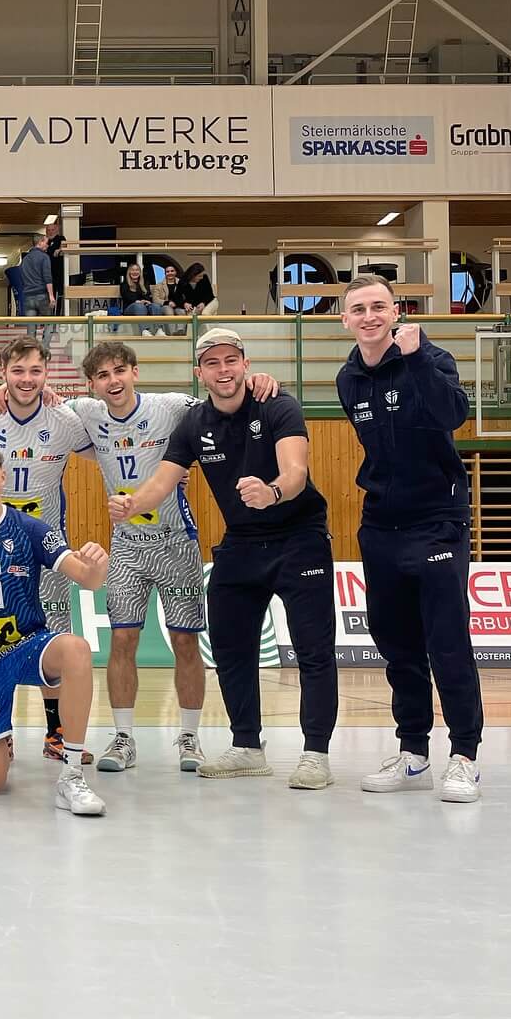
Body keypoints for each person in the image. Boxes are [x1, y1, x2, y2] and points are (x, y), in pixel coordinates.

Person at [112, 328, 338, 790]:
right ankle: (247, 747)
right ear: (201, 373)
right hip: (241, 542)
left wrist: (272, 491)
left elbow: (296, 471)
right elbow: (164, 479)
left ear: (245, 363)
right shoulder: (195, 424)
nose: (223, 370)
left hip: (299, 537)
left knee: (314, 650)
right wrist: (134, 504)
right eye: (212, 363)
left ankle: (315, 753)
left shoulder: (278, 405)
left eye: (230, 360)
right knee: (232, 650)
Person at [69, 339, 257, 774]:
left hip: (176, 541)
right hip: (127, 547)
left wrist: (260, 381)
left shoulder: (173, 406)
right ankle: (123, 737)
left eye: (120, 370)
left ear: (135, 372)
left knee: (186, 641)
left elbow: (226, 395)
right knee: (122, 640)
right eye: (102, 375)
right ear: (92, 384)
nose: (112, 381)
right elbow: (42, 401)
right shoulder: (88, 414)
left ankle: (190, 736)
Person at [337, 274, 482, 803]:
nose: (370, 317)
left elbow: (453, 416)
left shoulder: (433, 358)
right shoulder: (347, 378)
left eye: (379, 307)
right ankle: (413, 749)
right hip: (380, 525)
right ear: (345, 319)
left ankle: (464, 754)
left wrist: (417, 359)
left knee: (446, 642)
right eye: (359, 309)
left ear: (396, 311)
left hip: (438, 519)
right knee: (396, 644)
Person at [0, 442, 110, 816]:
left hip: (29, 646)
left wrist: (96, 565)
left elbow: (88, 581)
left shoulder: (30, 528)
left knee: (76, 649)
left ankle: (72, 775)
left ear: (3, 478)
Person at [0, 335, 90, 759]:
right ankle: (0, 730)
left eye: (36, 371)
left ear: (47, 373)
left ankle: (57, 733)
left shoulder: (66, 420)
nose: (27, 379)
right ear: (2, 373)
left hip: (47, 551)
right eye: (18, 371)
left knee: (53, 636)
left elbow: (107, 451)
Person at [118, 261, 170, 334]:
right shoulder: (124, 284)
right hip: (130, 307)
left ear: (140, 272)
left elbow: (147, 295)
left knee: (155, 306)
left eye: (137, 270)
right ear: (129, 272)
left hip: (144, 305)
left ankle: (159, 330)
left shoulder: (144, 283)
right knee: (139, 306)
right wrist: (137, 301)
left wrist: (146, 301)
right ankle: (144, 330)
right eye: (132, 270)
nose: (135, 272)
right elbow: (127, 297)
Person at [18, 234, 56, 322]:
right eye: (46, 243)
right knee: (48, 323)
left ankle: (31, 336)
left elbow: (22, 277)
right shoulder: (44, 257)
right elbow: (47, 277)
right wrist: (51, 296)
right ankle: (46, 336)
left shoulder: (25, 259)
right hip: (42, 295)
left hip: (28, 296)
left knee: (31, 325)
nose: (48, 245)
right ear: (40, 242)